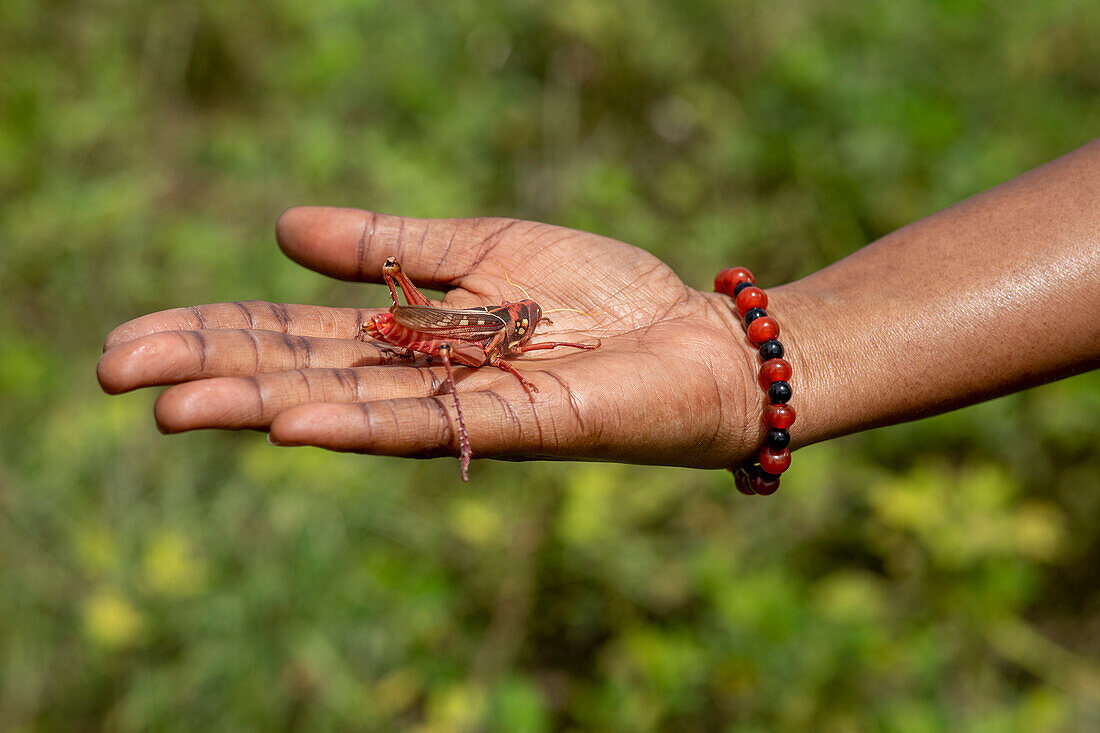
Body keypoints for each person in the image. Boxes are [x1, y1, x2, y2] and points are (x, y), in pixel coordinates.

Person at [96, 139, 1100, 476]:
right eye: (524, 331)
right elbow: (471, 348)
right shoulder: (484, 334)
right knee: (426, 336)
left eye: (527, 332)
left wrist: (745, 352)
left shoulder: (520, 336)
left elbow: (514, 343)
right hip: (424, 335)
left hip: (439, 340)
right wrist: (427, 343)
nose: (526, 335)